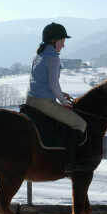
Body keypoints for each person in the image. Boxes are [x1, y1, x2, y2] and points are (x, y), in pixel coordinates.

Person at [26, 22, 88, 172]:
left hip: (31, 100)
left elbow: (47, 82)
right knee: (80, 124)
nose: (64, 45)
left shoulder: (39, 54)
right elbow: (53, 84)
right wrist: (64, 101)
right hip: (44, 103)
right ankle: (70, 163)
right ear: (54, 41)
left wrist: (62, 94)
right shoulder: (53, 58)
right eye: (62, 41)